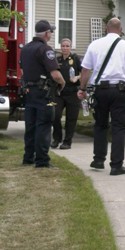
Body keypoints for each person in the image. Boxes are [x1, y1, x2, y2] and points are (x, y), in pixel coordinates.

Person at [77, 18, 125, 176]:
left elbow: (85, 70)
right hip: (119, 91)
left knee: (100, 125)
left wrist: (82, 89)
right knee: (119, 127)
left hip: (99, 91)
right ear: (121, 30)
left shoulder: (95, 45)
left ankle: (98, 159)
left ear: (106, 29)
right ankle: (116, 165)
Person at [20, 20, 65, 169]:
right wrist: (62, 83)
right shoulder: (45, 49)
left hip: (29, 91)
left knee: (31, 126)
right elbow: (55, 74)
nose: (51, 34)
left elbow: (22, 71)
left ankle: (28, 157)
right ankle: (42, 161)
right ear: (47, 33)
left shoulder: (25, 48)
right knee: (44, 126)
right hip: (44, 93)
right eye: (51, 31)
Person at [51, 38, 82, 150]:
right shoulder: (57, 59)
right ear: (60, 47)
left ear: (71, 47)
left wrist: (77, 78)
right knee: (55, 115)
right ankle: (56, 138)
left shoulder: (75, 59)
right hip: (59, 92)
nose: (65, 48)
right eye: (63, 46)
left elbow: (84, 73)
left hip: (73, 92)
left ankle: (67, 141)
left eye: (67, 46)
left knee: (71, 118)